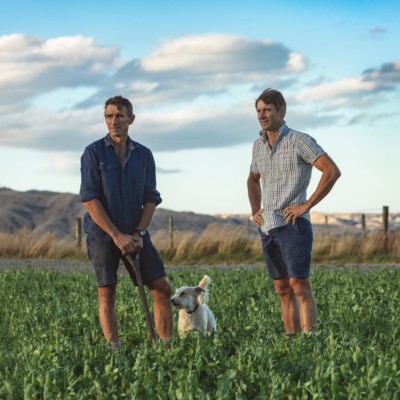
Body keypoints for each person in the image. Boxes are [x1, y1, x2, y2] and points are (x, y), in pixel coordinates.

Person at [80, 95, 173, 350]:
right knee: (107, 293)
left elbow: (150, 198)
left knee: (161, 288)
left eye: (119, 115)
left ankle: (166, 350)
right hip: (102, 233)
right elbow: (90, 198)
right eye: (109, 116)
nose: (114, 121)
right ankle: (116, 352)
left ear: (131, 119)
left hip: (135, 233)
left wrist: (139, 233)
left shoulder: (144, 155)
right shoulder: (93, 153)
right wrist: (115, 235)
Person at [247, 89, 341, 335]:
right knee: (282, 288)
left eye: (267, 109)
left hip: (294, 225)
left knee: (299, 284)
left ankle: (309, 340)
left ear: (282, 110)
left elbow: (331, 171)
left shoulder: (300, 140)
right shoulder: (257, 146)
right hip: (268, 226)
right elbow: (252, 179)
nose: (262, 115)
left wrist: (307, 205)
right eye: (258, 110)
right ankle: (291, 340)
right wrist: (255, 209)